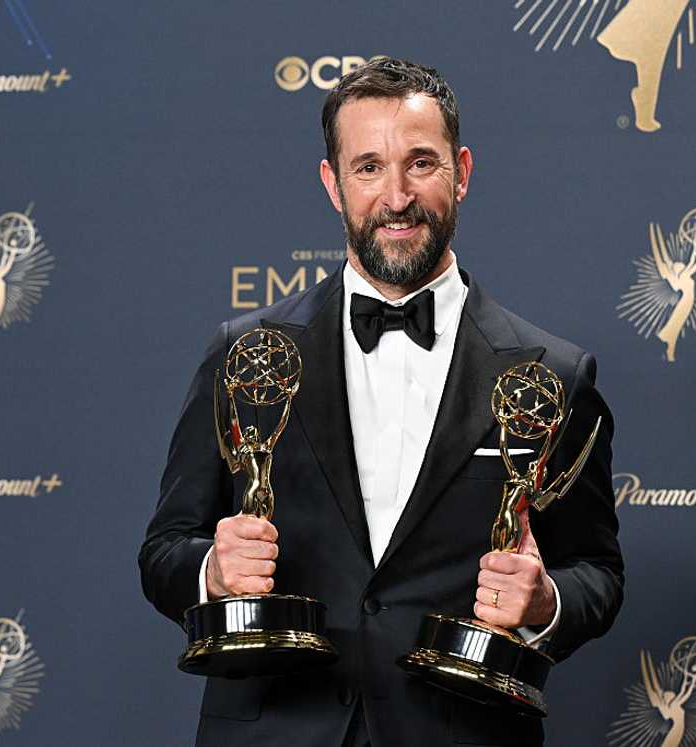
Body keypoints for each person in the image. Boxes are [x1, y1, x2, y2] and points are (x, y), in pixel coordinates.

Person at [139, 57, 623, 747]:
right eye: (368, 167)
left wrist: (544, 602)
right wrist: (212, 570)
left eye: (420, 163)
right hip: (276, 729)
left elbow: (597, 572)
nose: (396, 196)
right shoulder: (244, 355)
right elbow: (162, 551)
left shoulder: (555, 375)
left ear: (462, 170)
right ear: (333, 184)